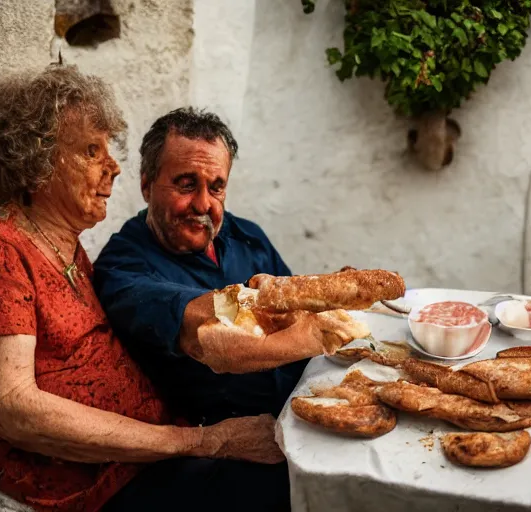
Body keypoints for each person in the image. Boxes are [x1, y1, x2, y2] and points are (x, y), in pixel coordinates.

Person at [0, 65, 289, 512]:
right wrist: (202, 441)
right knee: (280, 488)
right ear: (36, 161)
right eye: (91, 150)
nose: (113, 167)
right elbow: (15, 409)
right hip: (99, 486)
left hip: (149, 457)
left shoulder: (68, 252)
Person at [92, 107, 357, 427]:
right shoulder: (122, 268)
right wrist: (330, 328)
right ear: (147, 186)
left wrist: (323, 298)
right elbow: (216, 329)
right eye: (186, 184)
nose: (204, 204)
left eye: (216, 187)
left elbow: (296, 302)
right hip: (222, 444)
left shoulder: (245, 234)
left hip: (300, 408)